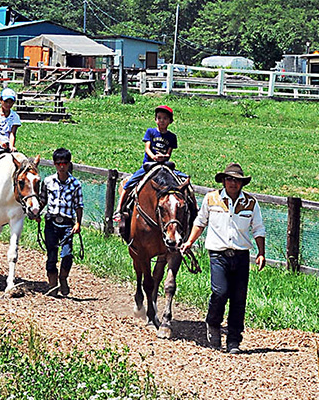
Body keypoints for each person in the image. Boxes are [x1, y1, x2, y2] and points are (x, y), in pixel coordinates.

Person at [180, 163, 266, 354]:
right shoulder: (211, 198)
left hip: (241, 255)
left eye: (236, 180)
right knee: (220, 291)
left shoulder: (250, 203)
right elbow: (200, 222)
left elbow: (258, 228)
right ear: (223, 181)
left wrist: (261, 252)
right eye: (229, 179)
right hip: (218, 254)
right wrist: (189, 242)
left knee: (238, 298)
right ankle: (213, 323)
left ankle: (234, 340)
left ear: (242, 183)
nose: (232, 183)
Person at [114, 105, 178, 219]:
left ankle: (192, 208)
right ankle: (119, 208)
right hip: (150, 164)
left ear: (170, 121)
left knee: (182, 181)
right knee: (130, 182)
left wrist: (164, 156)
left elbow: (169, 153)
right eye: (159, 118)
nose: (161, 121)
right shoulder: (151, 132)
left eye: (165, 118)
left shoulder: (172, 137)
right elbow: (147, 148)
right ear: (155, 120)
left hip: (164, 164)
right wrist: (154, 157)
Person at [38, 148, 84, 296]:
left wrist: (78, 223)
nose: (61, 166)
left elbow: (79, 205)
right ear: (54, 164)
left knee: (67, 254)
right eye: (58, 164)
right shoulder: (48, 182)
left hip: (67, 224)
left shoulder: (75, 184)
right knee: (52, 254)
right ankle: (52, 285)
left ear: (68, 164)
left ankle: (63, 277)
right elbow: (43, 200)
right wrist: (36, 213)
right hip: (51, 222)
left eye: (64, 163)